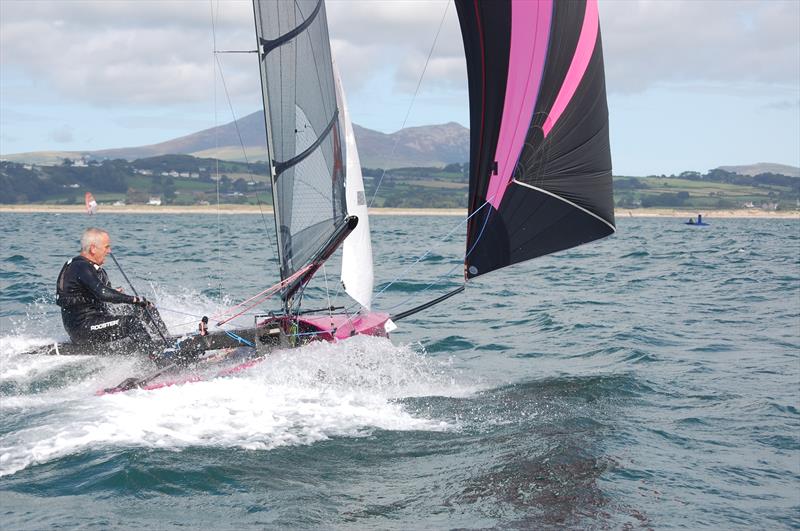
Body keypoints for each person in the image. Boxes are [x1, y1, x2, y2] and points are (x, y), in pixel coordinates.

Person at [56, 227, 167, 356]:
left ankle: (166, 341)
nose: (109, 251)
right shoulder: (80, 266)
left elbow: (102, 293)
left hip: (99, 318)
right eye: (106, 247)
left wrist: (114, 292)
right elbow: (102, 293)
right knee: (131, 323)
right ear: (93, 249)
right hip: (83, 328)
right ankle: (156, 357)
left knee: (145, 308)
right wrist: (133, 299)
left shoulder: (95, 269)